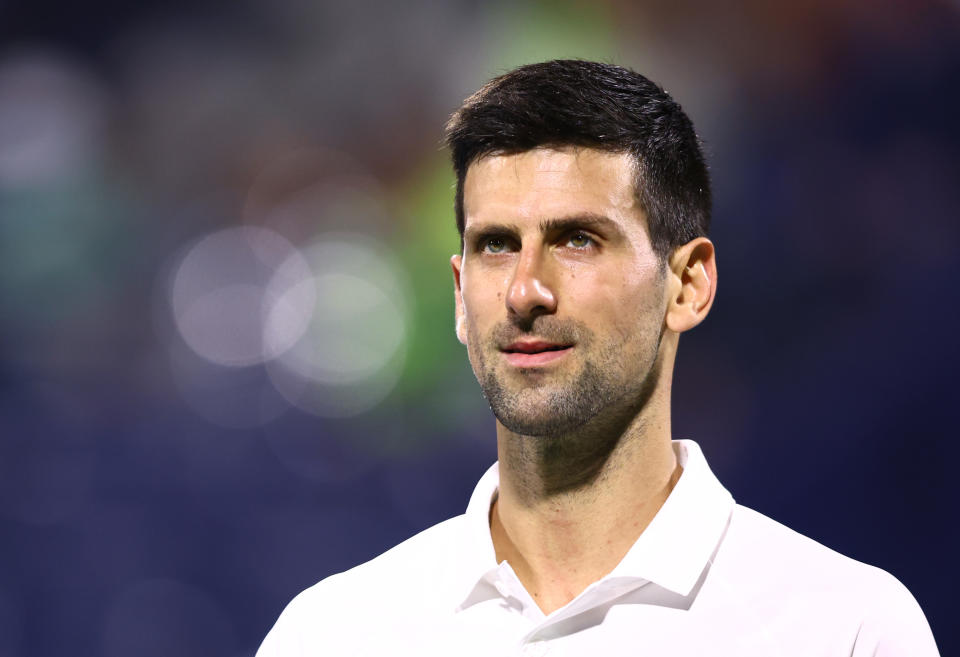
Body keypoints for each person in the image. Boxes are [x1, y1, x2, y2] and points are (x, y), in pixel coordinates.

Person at [256, 60, 939, 656]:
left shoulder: (845, 628)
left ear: (688, 284)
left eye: (578, 240)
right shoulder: (331, 634)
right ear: (462, 295)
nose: (525, 290)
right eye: (496, 244)